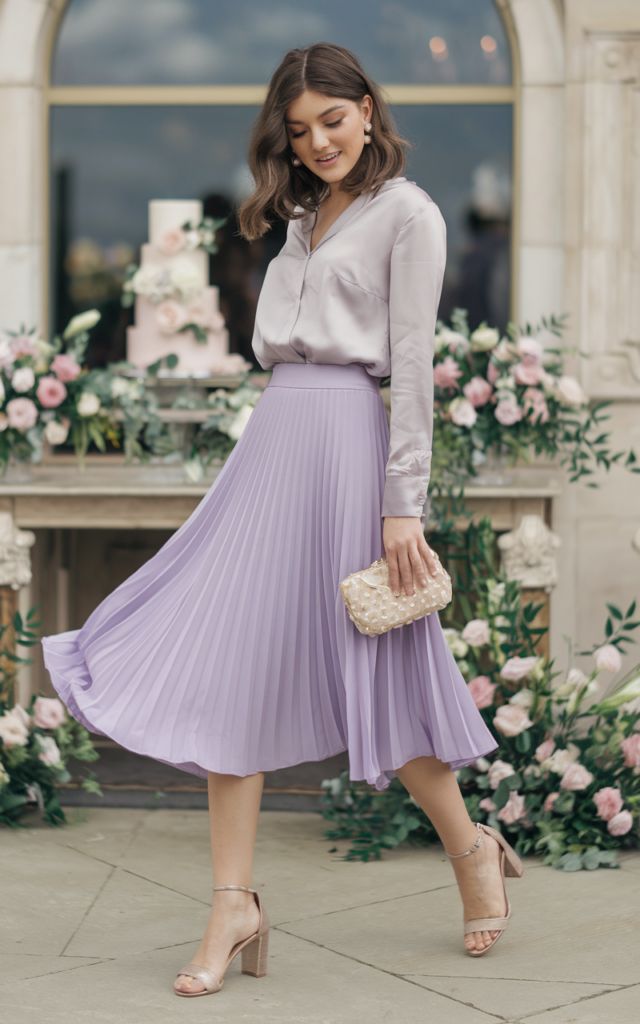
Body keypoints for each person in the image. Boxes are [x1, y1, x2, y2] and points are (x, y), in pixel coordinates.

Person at [41, 42, 524, 999]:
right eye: (299, 132)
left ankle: (471, 849)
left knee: (382, 677)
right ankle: (234, 904)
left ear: (369, 109)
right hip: (275, 443)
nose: (317, 144)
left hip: (351, 446)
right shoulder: (302, 215)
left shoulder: (411, 214)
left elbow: (415, 368)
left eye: (333, 122)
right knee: (235, 666)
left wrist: (402, 508)